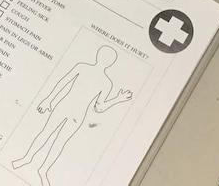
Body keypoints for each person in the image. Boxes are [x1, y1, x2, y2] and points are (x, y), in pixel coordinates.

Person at [11, 45, 132, 186]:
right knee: (50, 136)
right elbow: (96, 105)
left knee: (55, 139)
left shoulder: (103, 81)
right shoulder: (86, 70)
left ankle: (41, 169)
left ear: (99, 56)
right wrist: (48, 100)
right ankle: (28, 160)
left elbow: (97, 106)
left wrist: (118, 99)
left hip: (74, 112)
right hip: (67, 108)